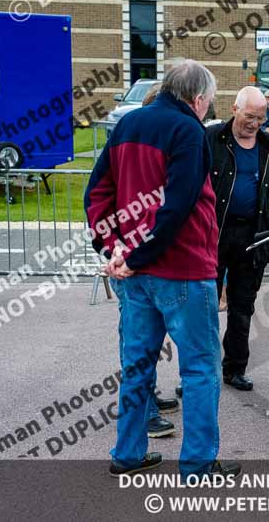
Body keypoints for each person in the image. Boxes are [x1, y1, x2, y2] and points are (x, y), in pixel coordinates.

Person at [85, 60, 239, 478]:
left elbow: (96, 192)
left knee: (137, 367)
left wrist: (113, 249)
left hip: (136, 275)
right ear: (199, 98)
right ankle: (198, 462)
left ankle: (128, 453)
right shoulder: (188, 130)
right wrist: (132, 256)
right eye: (209, 101)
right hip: (182, 270)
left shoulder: (128, 124)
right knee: (200, 367)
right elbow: (179, 205)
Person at [205, 86, 269, 392]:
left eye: (260, 117)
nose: (254, 123)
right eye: (249, 116)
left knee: (243, 306)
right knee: (203, 307)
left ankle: (235, 368)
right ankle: (199, 373)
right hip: (212, 234)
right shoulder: (211, 139)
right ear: (234, 109)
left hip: (253, 234)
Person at [105, 82, 179, 439]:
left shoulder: (132, 141)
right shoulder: (147, 143)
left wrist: (111, 248)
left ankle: (147, 404)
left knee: (140, 346)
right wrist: (118, 251)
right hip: (140, 260)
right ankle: (145, 412)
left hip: (133, 257)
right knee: (138, 347)